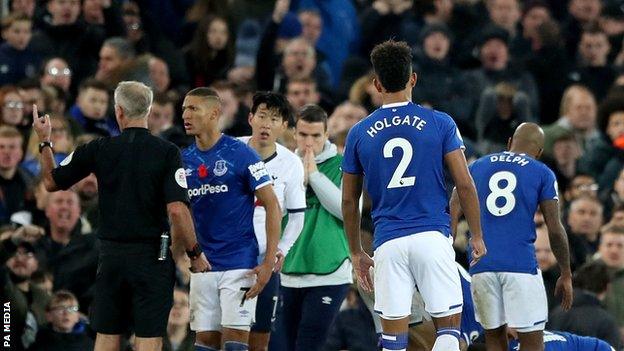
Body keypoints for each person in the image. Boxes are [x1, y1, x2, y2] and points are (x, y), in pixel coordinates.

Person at [32, 80, 209, 351]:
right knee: (148, 338)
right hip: (152, 258)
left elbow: (51, 182)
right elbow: (177, 209)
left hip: (112, 256)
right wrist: (195, 255)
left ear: (119, 112)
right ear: (148, 111)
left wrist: (45, 141)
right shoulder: (167, 152)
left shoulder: (99, 148)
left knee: (107, 335)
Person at [341, 39, 486, 351]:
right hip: (432, 237)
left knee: (393, 339)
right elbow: (465, 184)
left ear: (376, 84)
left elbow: (351, 201)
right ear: (413, 79)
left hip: (388, 242)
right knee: (448, 330)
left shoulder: (358, 133)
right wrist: (476, 235)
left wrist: (356, 252)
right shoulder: (440, 122)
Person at [451, 122, 574, 351]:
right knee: (532, 341)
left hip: (481, 265)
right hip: (520, 265)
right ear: (538, 152)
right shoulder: (542, 172)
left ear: (509, 143)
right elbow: (554, 228)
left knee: (495, 338)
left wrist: (449, 240)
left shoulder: (478, 166)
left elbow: (455, 201)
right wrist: (566, 272)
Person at [180, 87, 281, 351]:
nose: (185, 115)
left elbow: (272, 205)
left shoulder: (241, 154)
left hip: (240, 264)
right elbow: (179, 213)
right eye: (183, 109)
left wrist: (268, 262)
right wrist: (183, 254)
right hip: (203, 264)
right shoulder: (184, 160)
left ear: (214, 113)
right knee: (205, 344)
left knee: (235, 343)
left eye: (193, 108)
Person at [280, 104, 353, 351]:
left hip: (329, 271)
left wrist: (314, 176)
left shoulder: (345, 166)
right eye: (303, 135)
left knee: (310, 345)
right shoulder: (283, 166)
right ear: (294, 135)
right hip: (287, 271)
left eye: (315, 136)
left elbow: (347, 212)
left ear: (326, 135)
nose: (309, 142)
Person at [238, 91, 306, 351]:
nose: (266, 124)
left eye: (274, 119)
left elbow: (297, 215)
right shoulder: (231, 150)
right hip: (228, 255)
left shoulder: (291, 163)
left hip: (264, 260)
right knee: (224, 332)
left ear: (284, 126)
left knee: (260, 335)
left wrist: (281, 250)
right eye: (262, 116)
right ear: (250, 118)